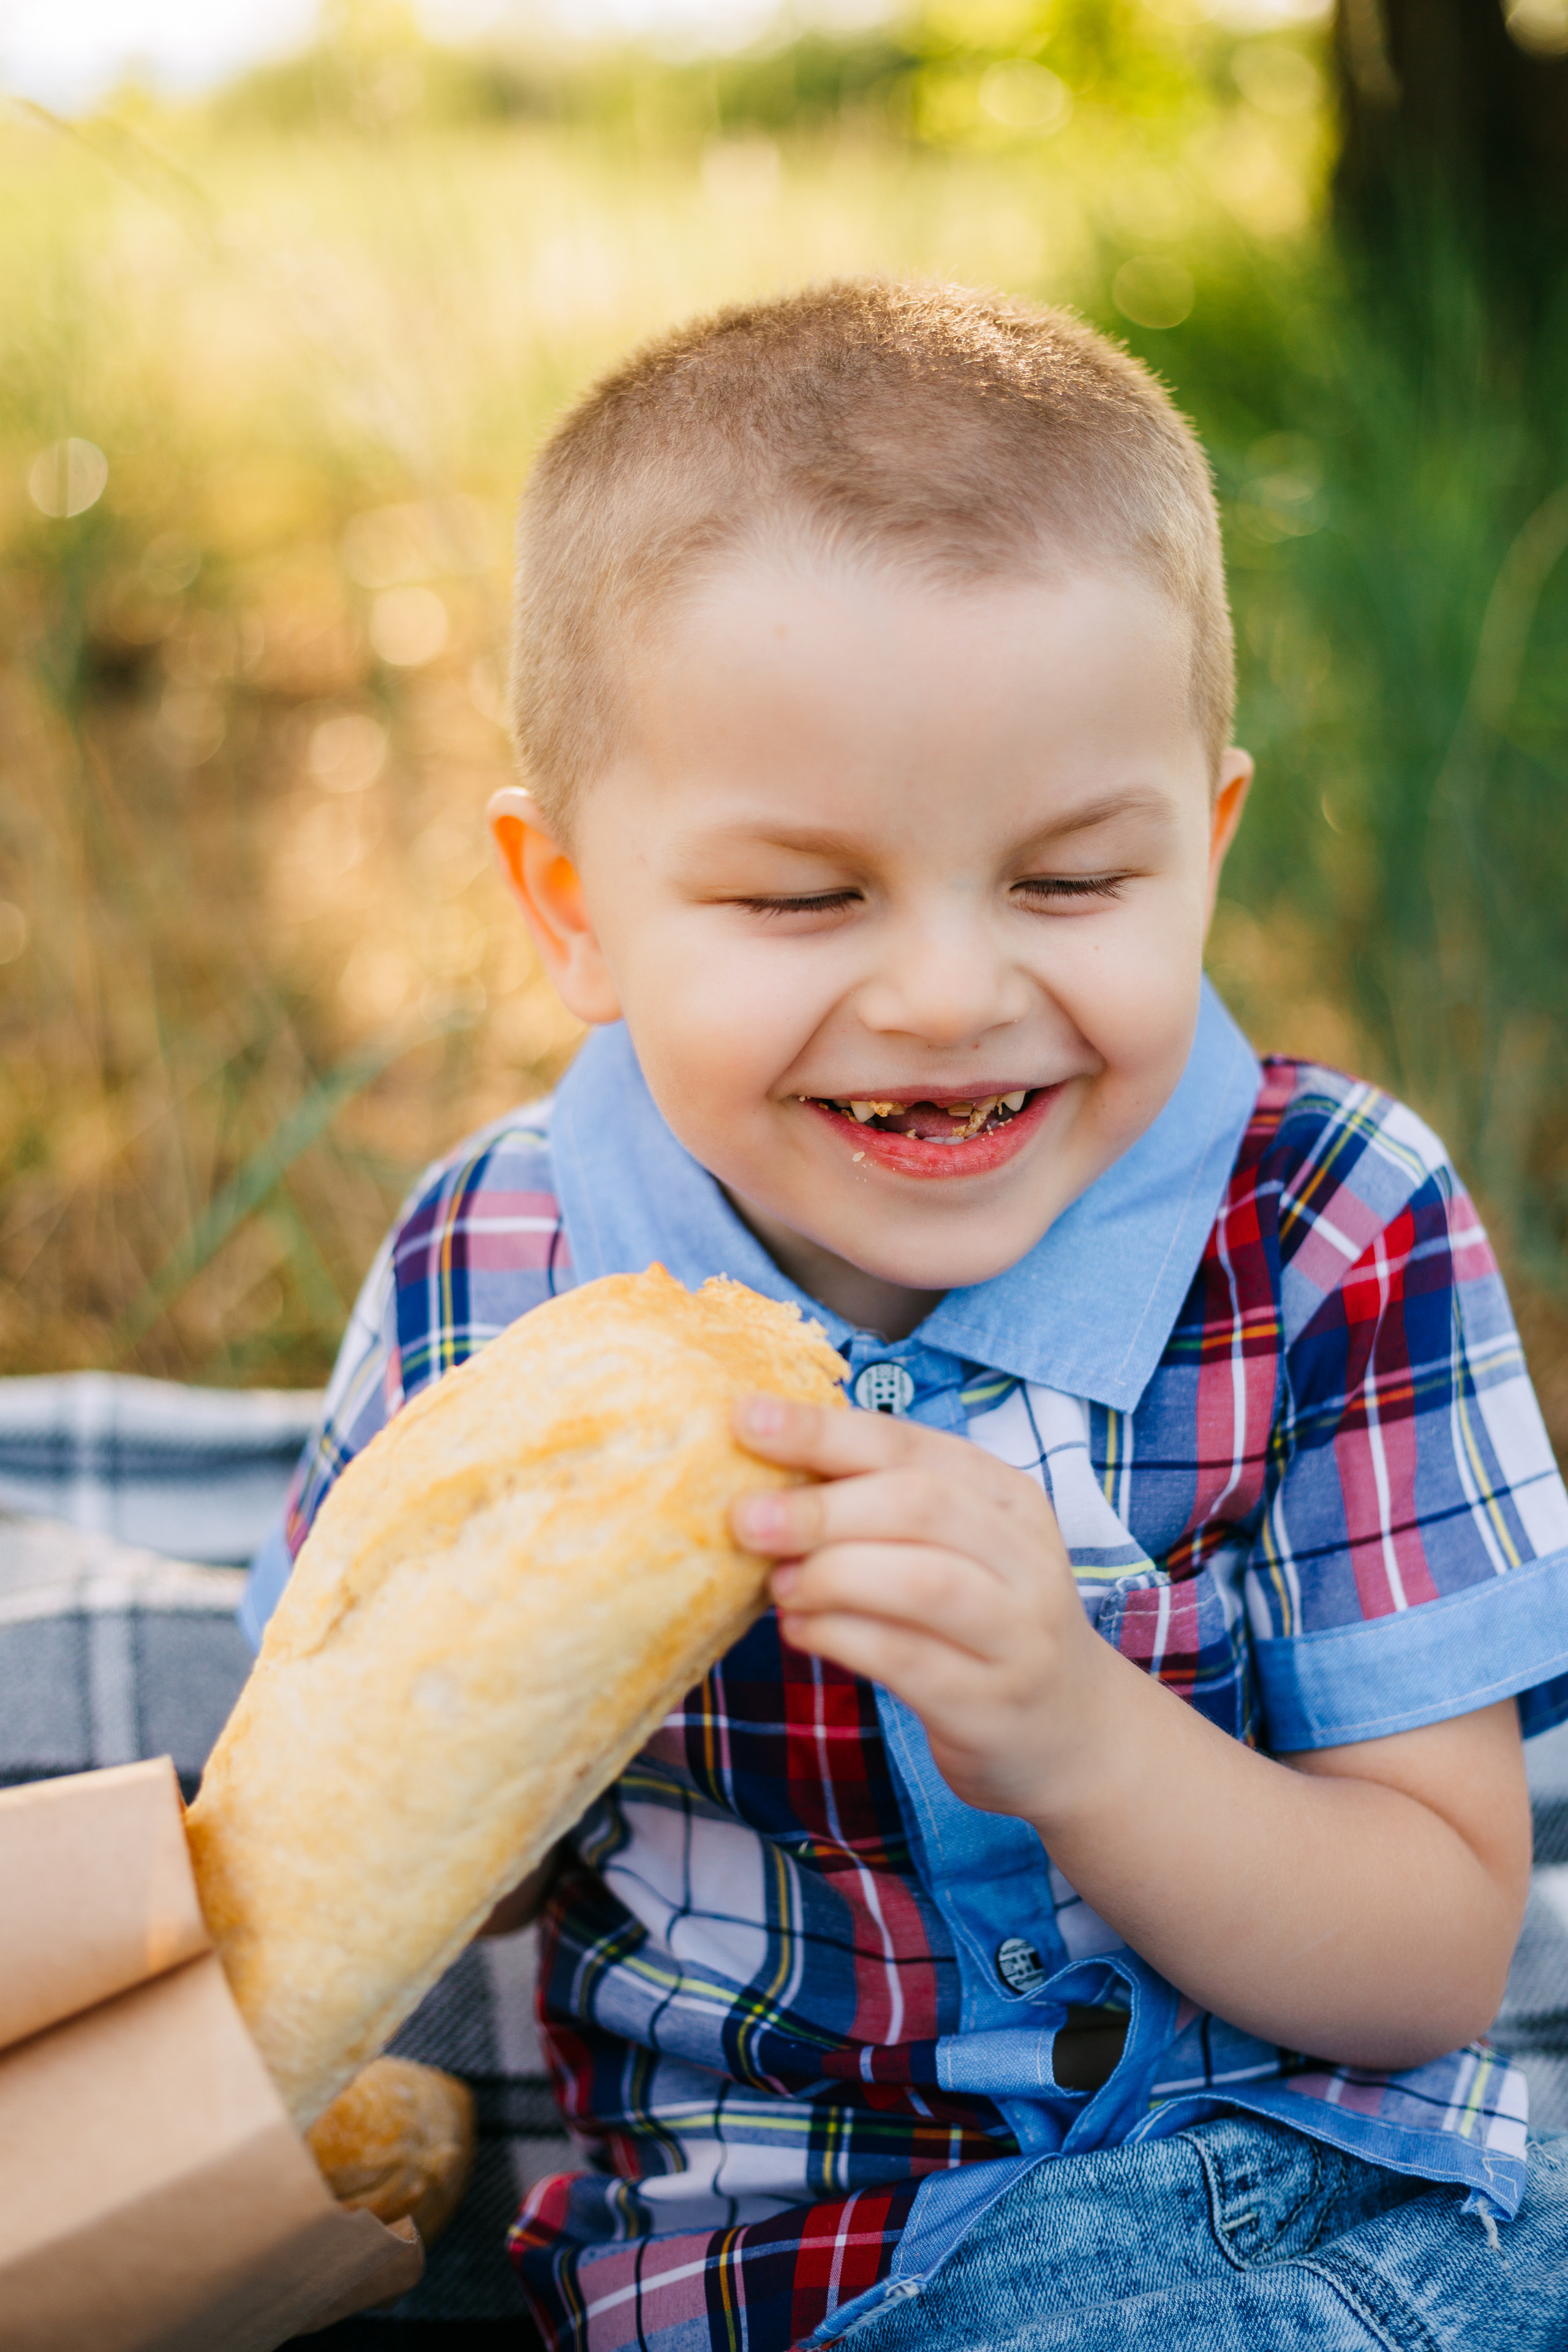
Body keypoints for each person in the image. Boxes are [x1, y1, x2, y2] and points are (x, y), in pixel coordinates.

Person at [243, 282, 1568, 2350]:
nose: (950, 994)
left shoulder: (1331, 1221)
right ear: (571, 909)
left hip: (1387, 2208)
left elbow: (1435, 1953)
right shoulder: (493, 1269)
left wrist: (1074, 1726)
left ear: (1206, 846)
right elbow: (343, 1856)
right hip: (825, 2277)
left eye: (1067, 884)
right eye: (804, 898)